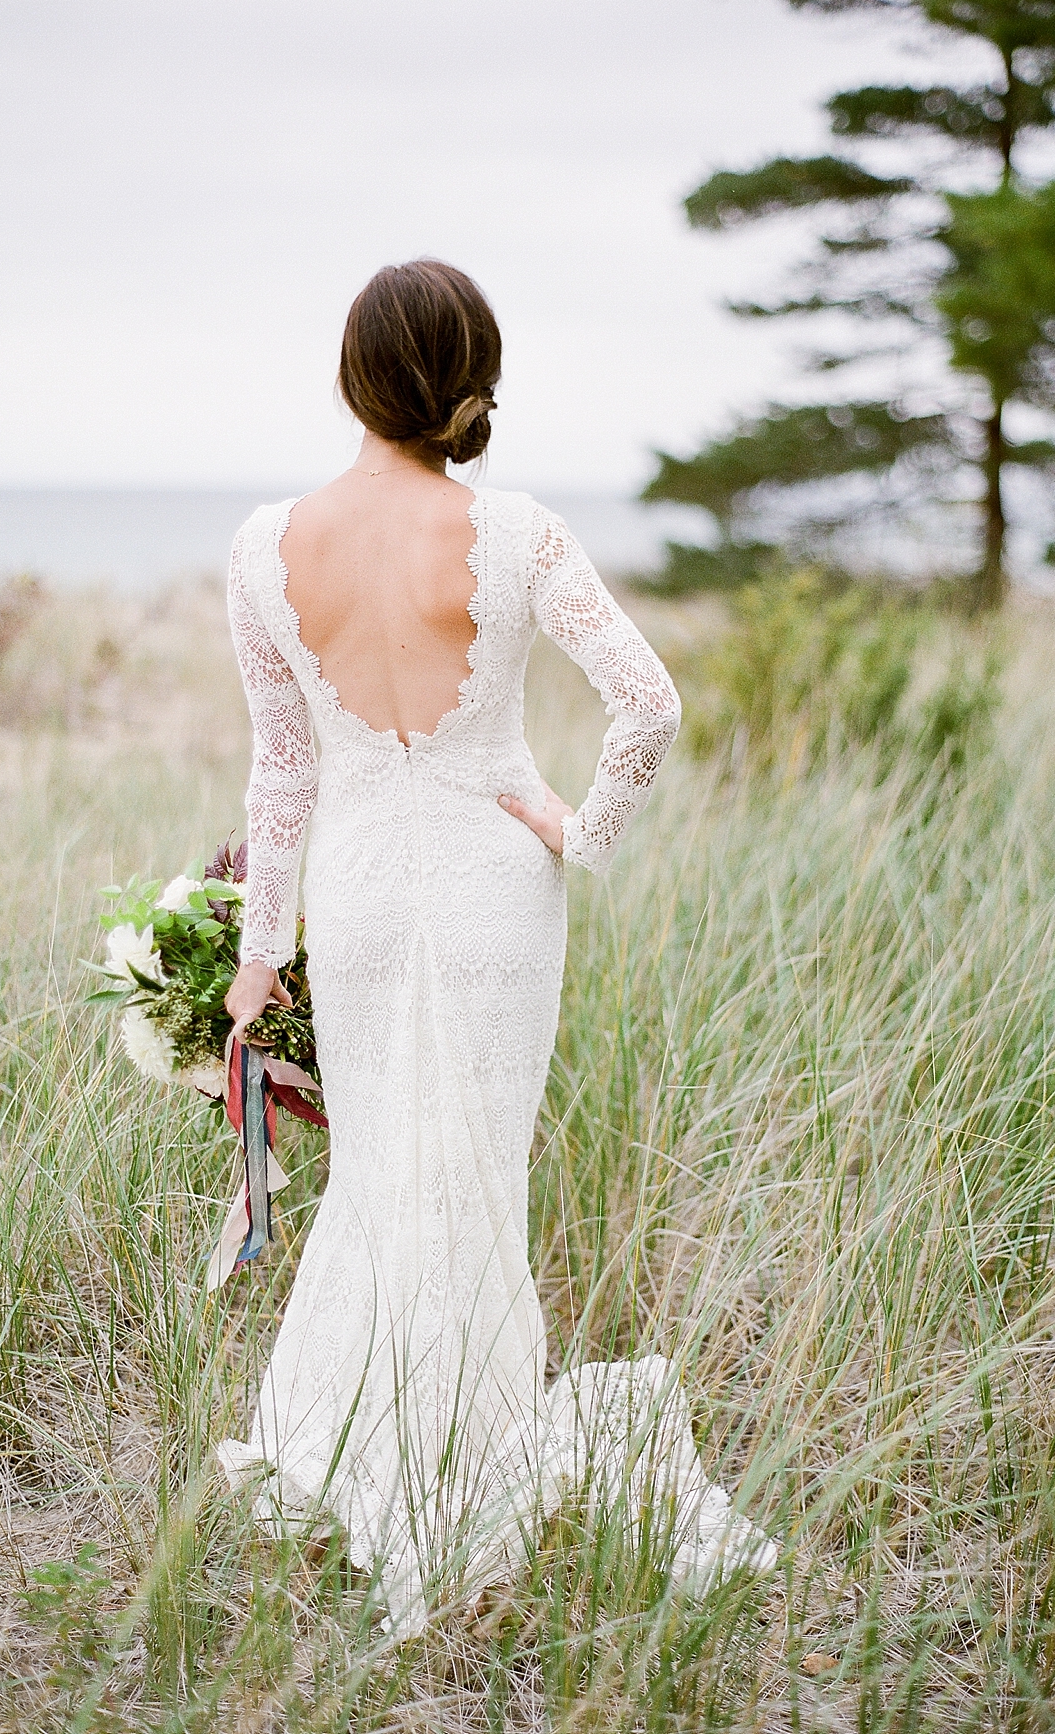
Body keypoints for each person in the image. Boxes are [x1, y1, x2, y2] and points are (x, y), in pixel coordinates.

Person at [218, 259, 775, 1635]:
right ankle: (460, 1484)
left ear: (353, 373)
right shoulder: (518, 534)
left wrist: (261, 947)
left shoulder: (260, 546)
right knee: (469, 1178)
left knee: (384, 1170)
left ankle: (355, 1457)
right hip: (489, 892)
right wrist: (579, 832)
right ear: (472, 375)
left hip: (354, 896)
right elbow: (648, 705)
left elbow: (281, 770)